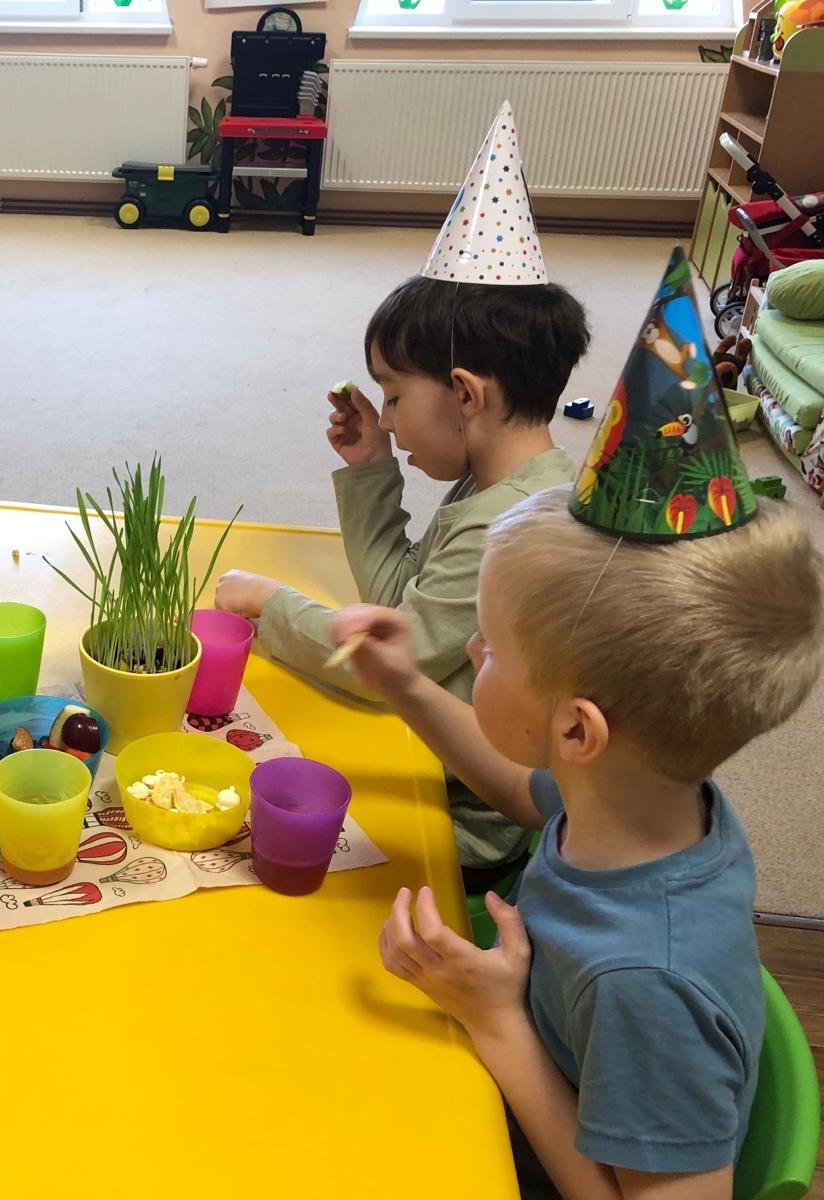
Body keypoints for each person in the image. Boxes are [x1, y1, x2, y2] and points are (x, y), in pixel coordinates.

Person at [331, 250, 824, 1196]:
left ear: (576, 731)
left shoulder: (646, 985)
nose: (473, 652)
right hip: (518, 1044)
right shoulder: (634, 803)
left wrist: (496, 1021)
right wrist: (407, 686)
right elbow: (525, 794)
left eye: (491, 650)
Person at [217, 103, 589, 875]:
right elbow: (401, 606)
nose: (385, 416)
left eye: (392, 395)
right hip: (430, 761)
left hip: (456, 824)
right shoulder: (498, 485)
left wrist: (269, 604)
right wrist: (369, 468)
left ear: (466, 393)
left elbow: (387, 665)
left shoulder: (512, 526)